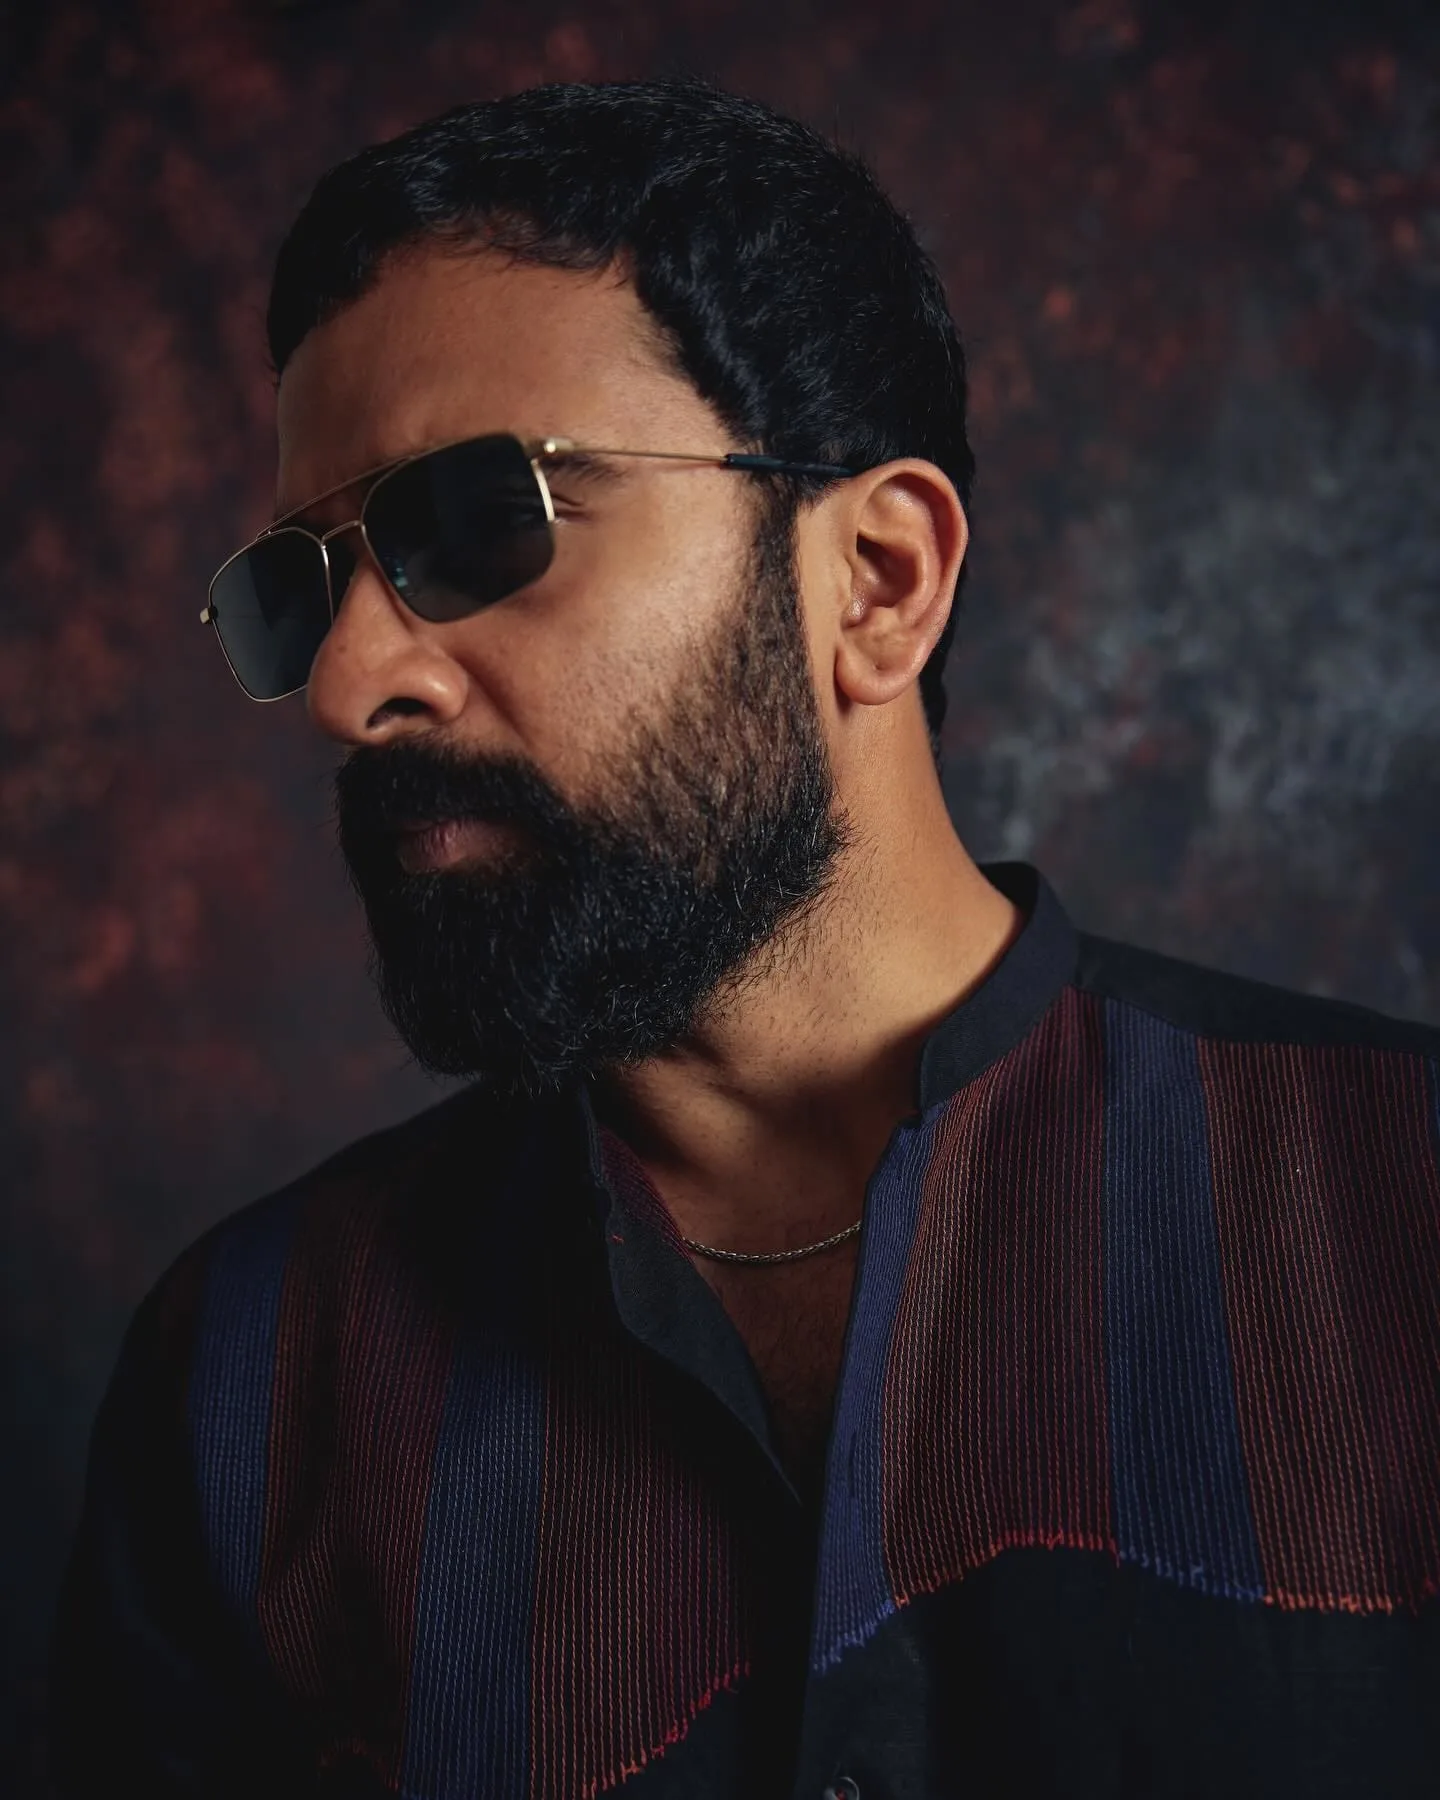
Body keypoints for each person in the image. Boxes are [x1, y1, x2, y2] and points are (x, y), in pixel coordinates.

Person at [51, 78, 1440, 1800]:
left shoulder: (1401, 1202)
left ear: (877, 581)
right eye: (298, 591)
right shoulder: (251, 1381)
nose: (350, 685)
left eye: (477, 524)